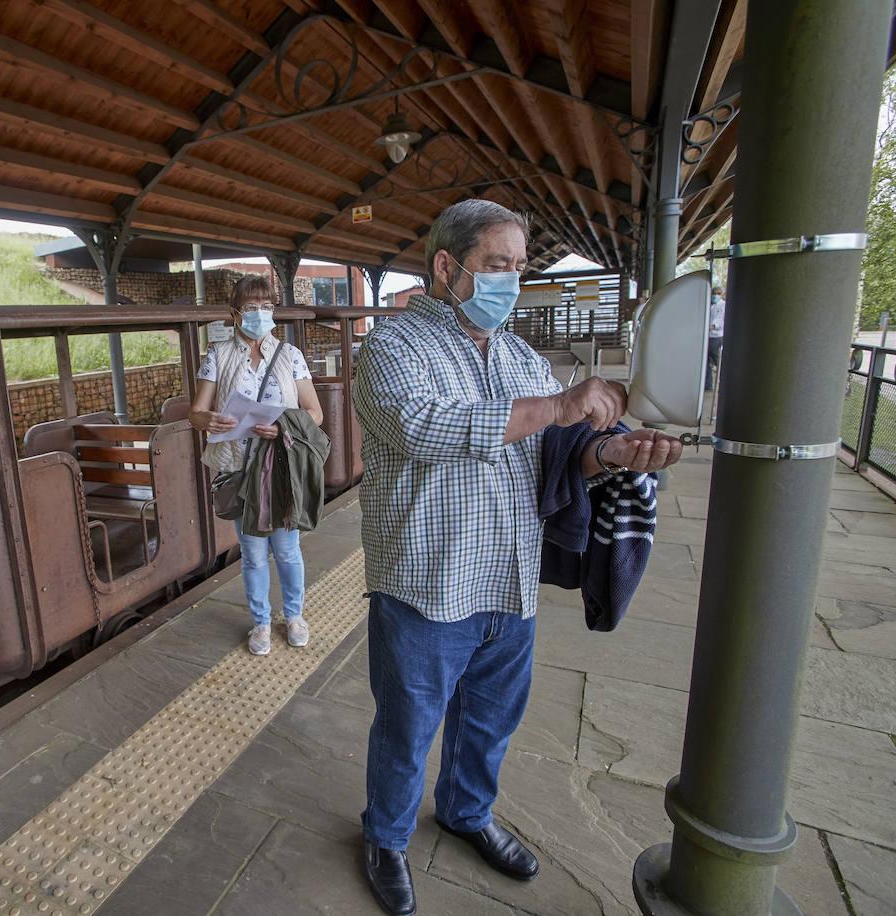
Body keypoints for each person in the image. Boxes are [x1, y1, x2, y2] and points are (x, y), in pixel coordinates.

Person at [352, 199, 683, 916]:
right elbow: (422, 428)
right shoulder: (392, 347)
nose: (511, 281)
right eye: (497, 265)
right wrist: (562, 408)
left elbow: (557, 453)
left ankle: (467, 814)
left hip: (507, 578)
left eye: (518, 268)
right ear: (448, 267)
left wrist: (612, 452)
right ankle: (385, 836)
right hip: (427, 583)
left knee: (490, 721)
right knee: (408, 726)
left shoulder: (521, 355)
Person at [189, 276, 324, 656]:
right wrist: (208, 420)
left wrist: (284, 424)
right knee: (252, 553)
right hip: (238, 468)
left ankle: (295, 615)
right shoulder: (217, 355)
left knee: (287, 549)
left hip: (280, 465)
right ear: (234, 314)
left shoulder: (290, 355)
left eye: (266, 306)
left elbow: (314, 413)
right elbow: (195, 413)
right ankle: (261, 622)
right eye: (251, 307)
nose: (260, 314)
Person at [707, 284, 725, 390]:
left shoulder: (723, 305)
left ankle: (722, 383)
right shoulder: (710, 305)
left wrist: (713, 326)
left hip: (716, 337)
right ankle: (708, 385)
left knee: (718, 361)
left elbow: (721, 321)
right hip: (707, 337)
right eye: (714, 293)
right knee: (707, 363)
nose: (715, 296)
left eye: (718, 294)